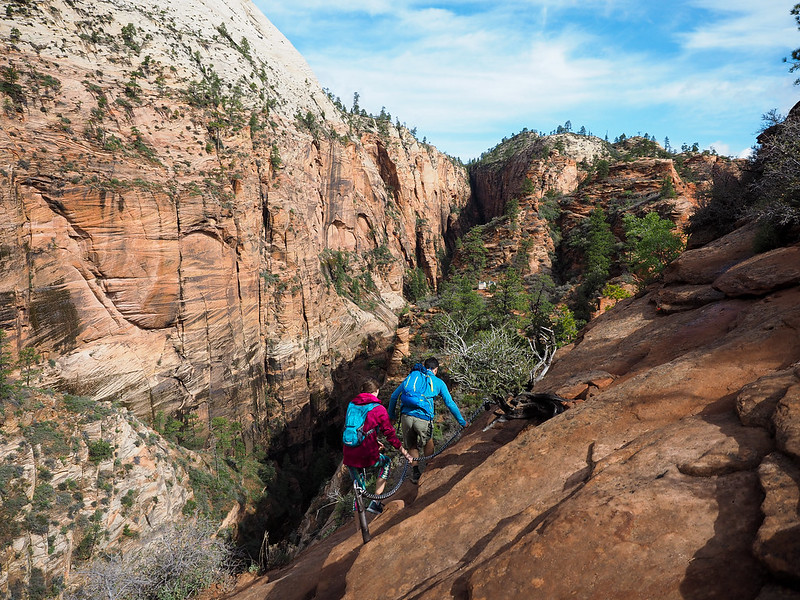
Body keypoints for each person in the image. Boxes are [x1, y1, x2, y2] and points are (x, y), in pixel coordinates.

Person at [388, 357, 467, 484]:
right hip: (423, 418)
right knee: (427, 442)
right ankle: (429, 467)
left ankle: (415, 472)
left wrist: (391, 417)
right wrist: (462, 422)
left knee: (412, 445)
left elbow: (393, 397)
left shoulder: (412, 378)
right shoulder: (438, 382)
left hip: (406, 417)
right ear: (435, 370)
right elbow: (450, 403)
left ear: (425, 367)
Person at [343, 378, 413, 515]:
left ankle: (359, 530)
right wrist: (406, 453)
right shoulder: (378, 409)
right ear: (375, 392)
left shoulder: (351, 404)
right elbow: (390, 435)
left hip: (349, 452)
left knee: (359, 490)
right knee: (386, 462)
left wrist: (374, 442)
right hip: (366, 454)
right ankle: (375, 503)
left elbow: (357, 428)